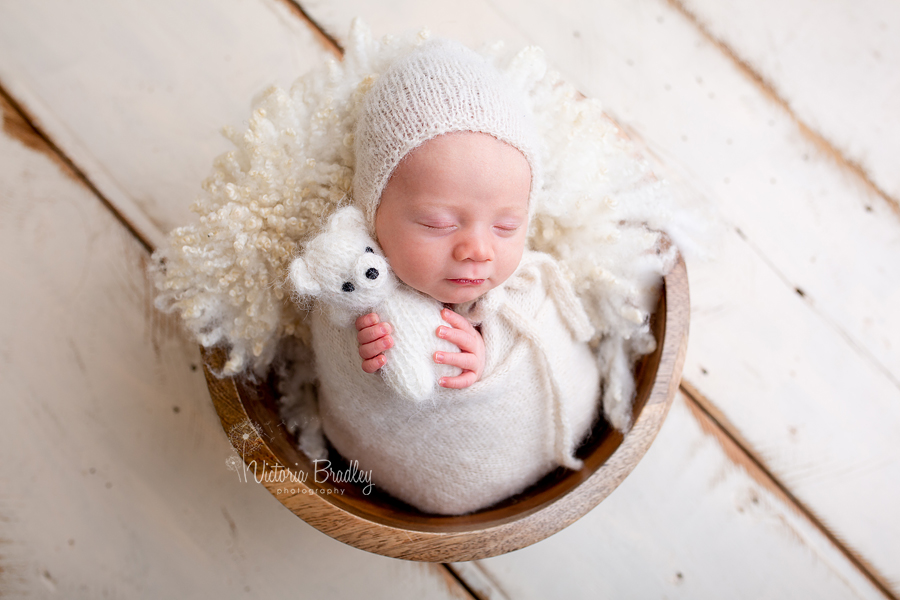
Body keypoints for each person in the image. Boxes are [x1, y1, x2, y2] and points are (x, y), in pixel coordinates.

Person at [303, 37, 601, 515]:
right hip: (388, 471)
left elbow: (547, 339)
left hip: (543, 438)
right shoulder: (355, 280)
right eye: (439, 224)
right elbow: (337, 348)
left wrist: (491, 352)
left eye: (507, 225)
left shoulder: (525, 288)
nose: (477, 250)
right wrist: (367, 356)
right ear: (371, 210)